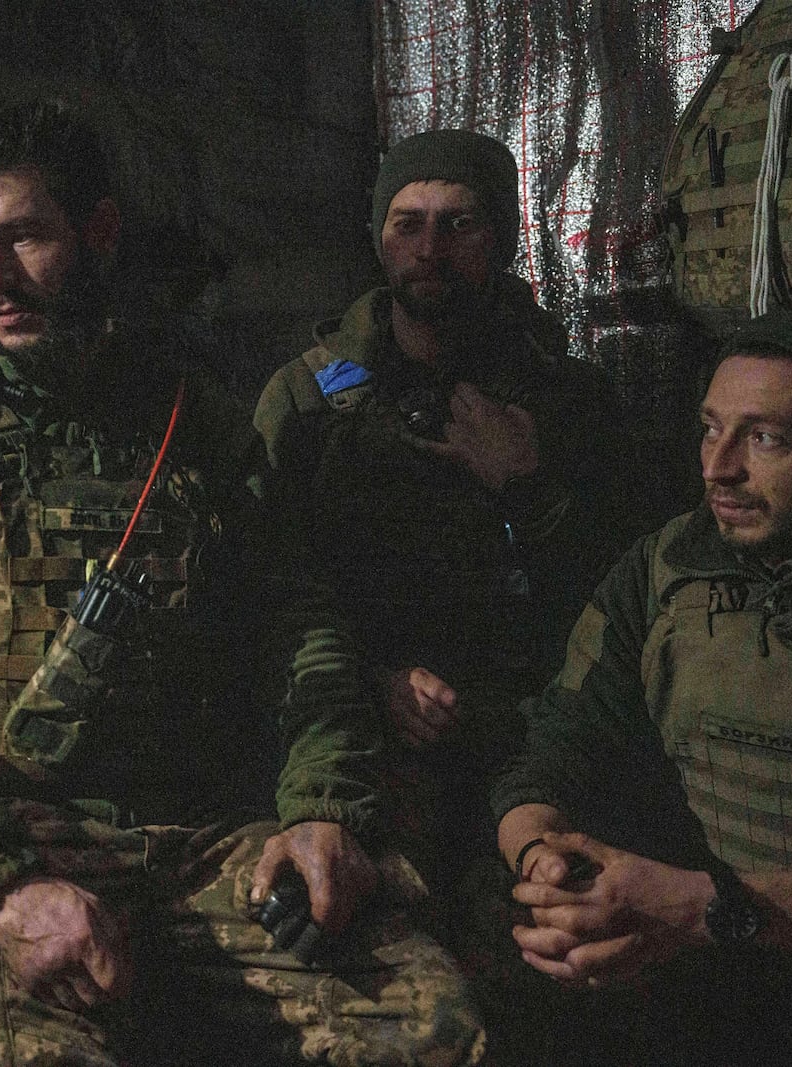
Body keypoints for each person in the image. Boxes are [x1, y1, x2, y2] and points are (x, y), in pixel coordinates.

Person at [0, 99, 484, 1067]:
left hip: (210, 838)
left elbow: (298, 625)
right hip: (29, 842)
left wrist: (323, 806)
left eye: (24, 237)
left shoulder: (196, 426)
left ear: (100, 232)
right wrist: (1, 887)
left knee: (432, 1028)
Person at [492, 309, 792, 1064]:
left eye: (766, 439)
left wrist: (705, 908)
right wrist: (545, 859)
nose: (717, 467)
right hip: (691, 928)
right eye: (709, 428)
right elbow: (561, 743)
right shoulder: (665, 569)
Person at [252, 130, 640, 927]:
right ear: (379, 239)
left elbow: (625, 604)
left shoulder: (570, 402)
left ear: (500, 237)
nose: (430, 247)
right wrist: (373, 680)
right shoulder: (306, 402)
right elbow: (264, 597)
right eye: (407, 222)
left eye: (460, 223)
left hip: (538, 746)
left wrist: (528, 486)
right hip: (365, 747)